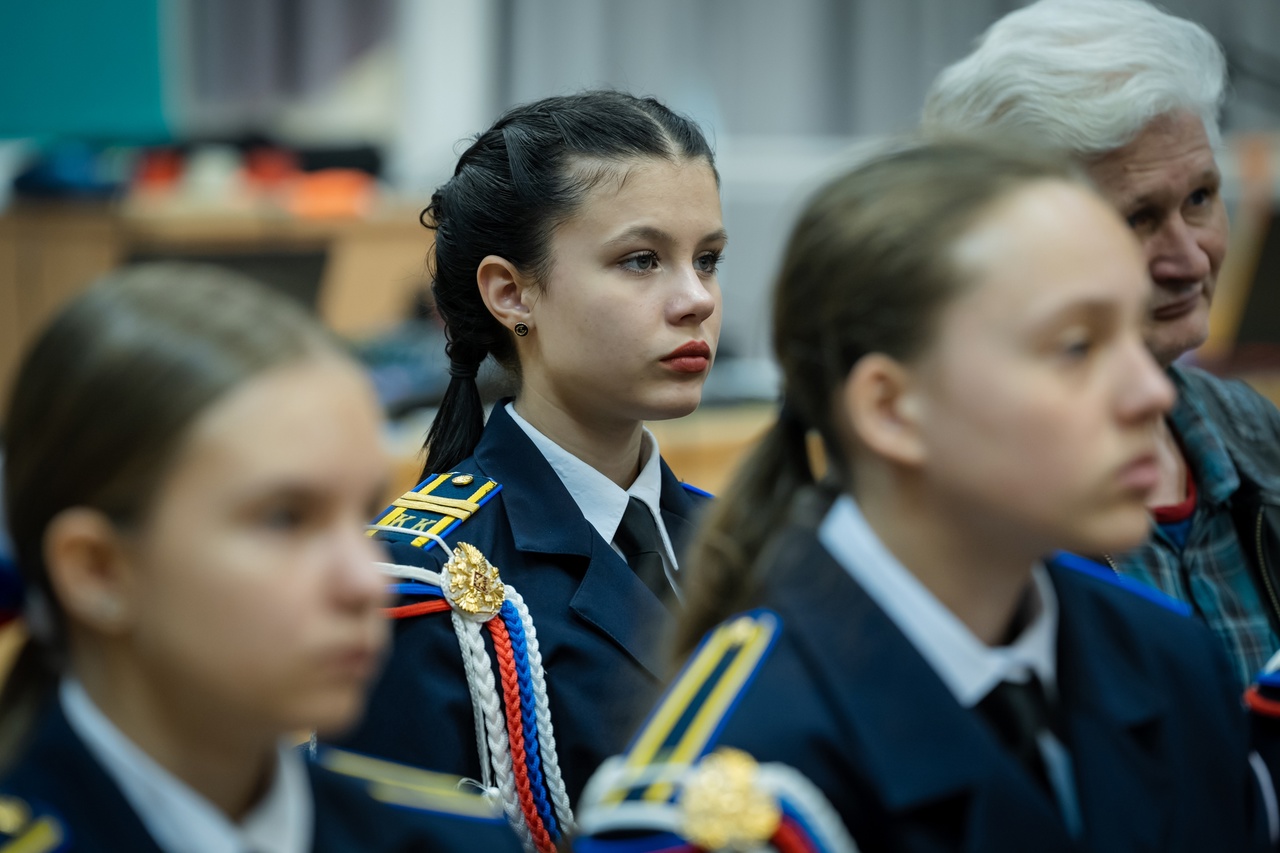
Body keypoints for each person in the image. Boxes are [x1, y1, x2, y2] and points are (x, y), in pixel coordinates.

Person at [571, 143, 1272, 852]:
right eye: (1076, 347)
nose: (1151, 393)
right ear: (891, 408)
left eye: (1133, 335)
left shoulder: (1172, 655)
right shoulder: (738, 791)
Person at [0, 264, 522, 852]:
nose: (365, 582)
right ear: (99, 571)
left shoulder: (452, 840)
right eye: (284, 520)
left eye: (363, 515)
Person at [333, 90, 725, 850]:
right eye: (641, 260)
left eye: (707, 259)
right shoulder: (423, 577)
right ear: (512, 292)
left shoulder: (737, 539)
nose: (696, 300)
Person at [920, 0, 1280, 690]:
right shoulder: (976, 500)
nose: (1191, 259)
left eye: (1201, 198)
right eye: (1138, 218)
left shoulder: (1255, 432)